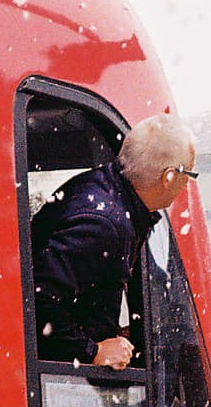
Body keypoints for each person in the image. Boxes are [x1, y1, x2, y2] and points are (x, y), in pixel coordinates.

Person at [31, 112, 197, 369]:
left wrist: (109, 332)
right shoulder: (104, 224)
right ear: (170, 177)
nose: (188, 183)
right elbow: (37, 302)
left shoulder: (109, 192)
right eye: (190, 174)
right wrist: (92, 351)